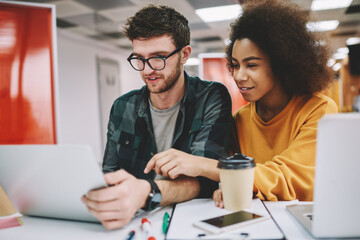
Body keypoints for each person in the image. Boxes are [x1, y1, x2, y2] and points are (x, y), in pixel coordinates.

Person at [145, 0, 338, 205]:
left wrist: (204, 165)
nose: (239, 76)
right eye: (235, 65)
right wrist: (231, 187)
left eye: (251, 65)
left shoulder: (319, 110)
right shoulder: (241, 119)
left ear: (282, 64)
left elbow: (287, 177)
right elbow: (248, 181)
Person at [81, 4, 233, 229]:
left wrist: (146, 192)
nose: (147, 70)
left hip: (191, 222)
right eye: (139, 59)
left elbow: (205, 180)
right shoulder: (122, 107)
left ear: (184, 55)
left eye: (158, 58)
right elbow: (111, 173)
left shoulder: (211, 97)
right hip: (134, 222)